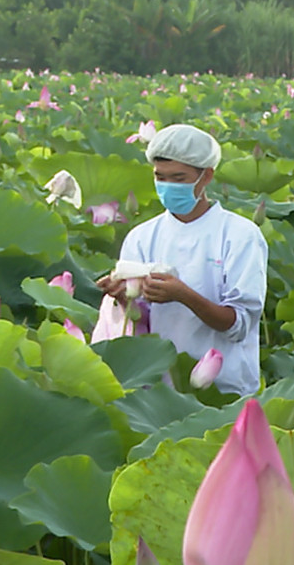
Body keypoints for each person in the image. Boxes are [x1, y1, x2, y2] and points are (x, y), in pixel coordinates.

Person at [96, 124, 267, 394]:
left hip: (223, 387)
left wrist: (183, 295)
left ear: (206, 176)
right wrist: (122, 297)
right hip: (157, 389)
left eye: (178, 178)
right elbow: (139, 323)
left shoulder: (241, 236)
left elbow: (238, 324)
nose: (167, 187)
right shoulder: (141, 237)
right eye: (160, 177)